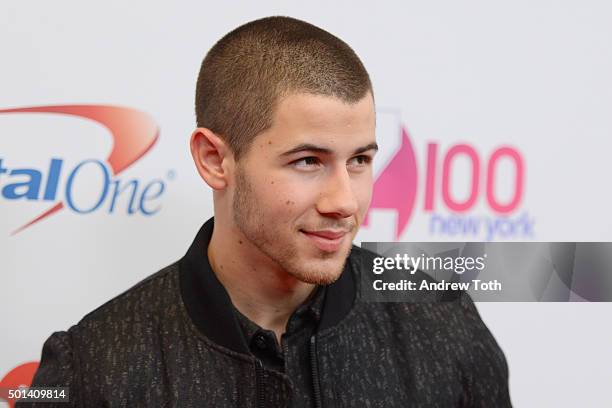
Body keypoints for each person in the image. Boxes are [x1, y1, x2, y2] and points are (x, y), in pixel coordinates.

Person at [21, 16, 511, 407]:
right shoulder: (93, 366)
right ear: (214, 159)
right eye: (307, 161)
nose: (344, 201)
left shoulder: (442, 324)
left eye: (360, 159)